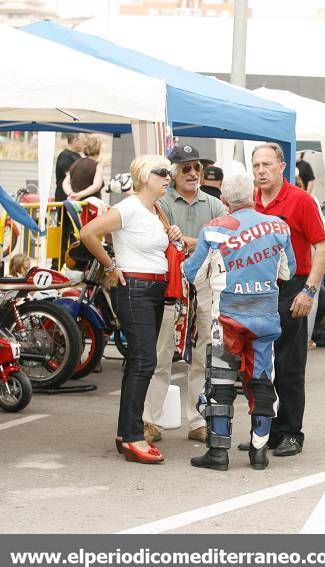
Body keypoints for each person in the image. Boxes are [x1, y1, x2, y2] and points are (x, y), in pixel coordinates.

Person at [183, 174, 296, 471]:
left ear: (224, 201)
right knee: (261, 381)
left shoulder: (215, 229)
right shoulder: (278, 226)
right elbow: (287, 271)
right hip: (266, 316)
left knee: (220, 383)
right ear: (254, 194)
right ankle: (259, 452)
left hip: (227, 317)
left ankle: (218, 453)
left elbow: (192, 273)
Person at [80, 155, 182, 464]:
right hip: (136, 287)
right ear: (143, 176)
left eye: (169, 172)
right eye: (162, 172)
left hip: (152, 287)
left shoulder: (154, 209)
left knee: (141, 361)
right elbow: (88, 233)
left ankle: (128, 433)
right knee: (144, 361)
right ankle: (133, 435)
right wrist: (111, 266)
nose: (169, 176)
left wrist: (172, 235)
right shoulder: (129, 207)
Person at [247, 142, 325, 457]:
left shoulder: (301, 201)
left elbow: (322, 248)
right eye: (256, 166)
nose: (261, 171)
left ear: (282, 167)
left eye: (267, 165)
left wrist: (309, 291)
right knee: (258, 365)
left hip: (292, 288)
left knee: (289, 365)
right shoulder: (251, 203)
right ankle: (263, 431)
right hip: (258, 291)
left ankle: (291, 432)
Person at [142, 145, 226, 445]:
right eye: (186, 168)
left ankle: (197, 420)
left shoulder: (214, 203)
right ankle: (150, 420)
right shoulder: (160, 203)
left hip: (204, 287)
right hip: (171, 287)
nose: (193, 173)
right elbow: (162, 241)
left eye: (197, 168)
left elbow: (225, 241)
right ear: (173, 173)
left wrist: (190, 242)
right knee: (161, 354)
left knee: (203, 356)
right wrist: (203, 242)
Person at [63, 135, 105, 202]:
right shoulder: (97, 166)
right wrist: (80, 195)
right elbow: (97, 186)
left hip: (76, 207)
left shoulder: (76, 163)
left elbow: (65, 183)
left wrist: (71, 193)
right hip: (91, 207)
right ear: (98, 150)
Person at [55, 133, 83, 202]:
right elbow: (72, 177)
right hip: (65, 198)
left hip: (75, 197)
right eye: (82, 141)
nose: (84, 144)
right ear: (75, 141)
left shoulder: (78, 156)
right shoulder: (65, 156)